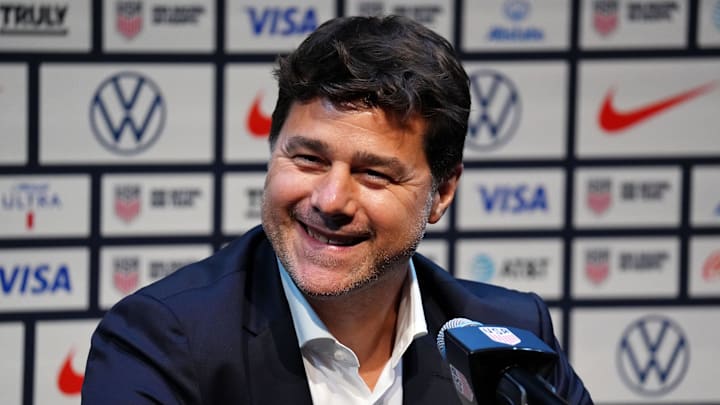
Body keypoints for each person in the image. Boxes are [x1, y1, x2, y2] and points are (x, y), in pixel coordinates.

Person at [82, 15, 593, 404]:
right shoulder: (161, 342)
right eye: (308, 159)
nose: (330, 201)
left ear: (442, 192)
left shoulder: (510, 337)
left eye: (374, 174)